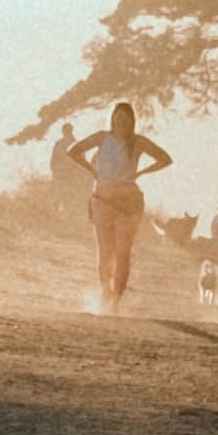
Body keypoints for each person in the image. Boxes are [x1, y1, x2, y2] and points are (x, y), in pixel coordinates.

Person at [78, 101, 170, 308]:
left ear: (131, 121)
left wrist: (142, 172)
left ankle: (115, 300)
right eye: (118, 118)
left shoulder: (137, 142)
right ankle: (105, 291)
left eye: (125, 119)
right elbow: (73, 151)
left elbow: (165, 159)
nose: (121, 122)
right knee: (105, 253)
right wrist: (91, 170)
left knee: (122, 253)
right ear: (112, 119)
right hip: (102, 199)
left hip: (129, 201)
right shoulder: (101, 138)